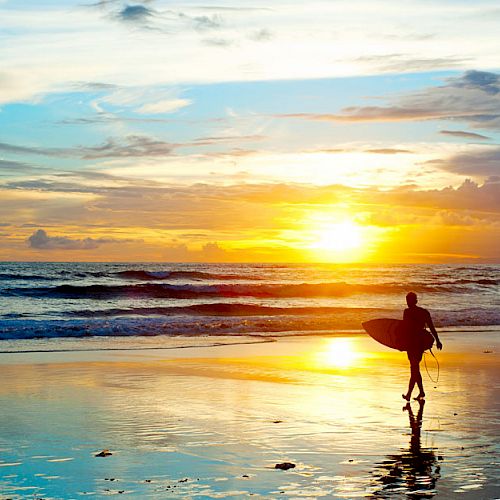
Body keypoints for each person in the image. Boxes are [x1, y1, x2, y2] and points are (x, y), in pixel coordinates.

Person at [402, 292, 442, 401]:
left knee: (414, 368)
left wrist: (438, 340)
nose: (407, 302)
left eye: (409, 300)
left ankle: (409, 394)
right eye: (407, 300)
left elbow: (405, 330)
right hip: (415, 343)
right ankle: (421, 392)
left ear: (414, 301)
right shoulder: (423, 312)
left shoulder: (408, 312)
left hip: (415, 343)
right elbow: (431, 327)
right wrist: (437, 340)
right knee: (415, 368)